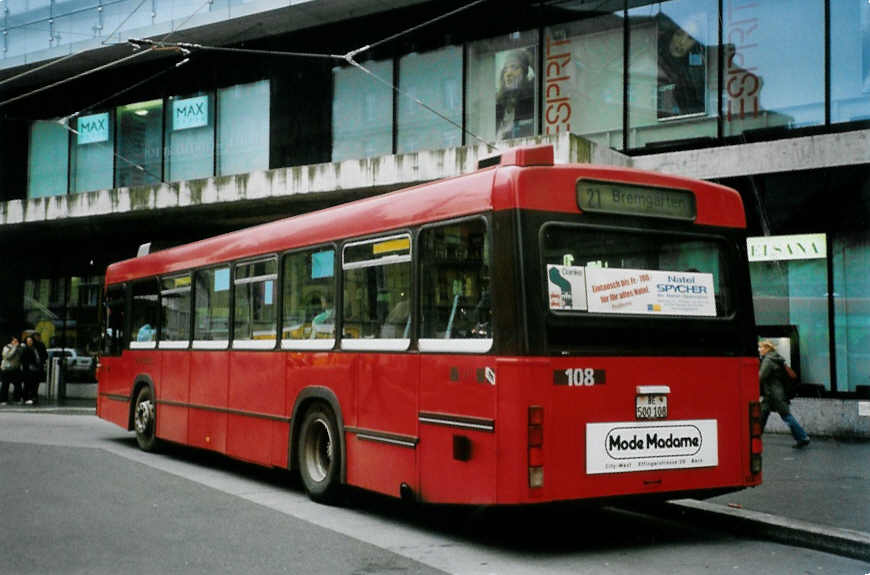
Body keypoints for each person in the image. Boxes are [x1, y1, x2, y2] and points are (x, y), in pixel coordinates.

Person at [759, 340, 810, 448]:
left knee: (786, 416)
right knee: (762, 415)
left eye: (761, 347)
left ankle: (802, 437)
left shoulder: (768, 360)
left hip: (775, 395)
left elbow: (761, 376)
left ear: (768, 348)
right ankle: (754, 439)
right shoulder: (776, 358)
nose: (760, 350)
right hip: (771, 394)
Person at [657, 13, 706, 119]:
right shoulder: (653, 55)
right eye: (679, 33)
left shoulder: (697, 66)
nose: (682, 42)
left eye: (690, 38)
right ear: (672, 33)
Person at [495, 49, 535, 140]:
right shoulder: (498, 105)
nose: (508, 73)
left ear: (525, 73)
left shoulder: (530, 98)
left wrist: (530, 57)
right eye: (505, 70)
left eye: (515, 67)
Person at [20, 335, 43, 406]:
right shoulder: (26, 349)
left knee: (34, 385)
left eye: (31, 341)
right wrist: (28, 366)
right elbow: (23, 360)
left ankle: (33, 398)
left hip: (35, 369)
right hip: (29, 370)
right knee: (28, 384)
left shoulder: (35, 348)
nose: (29, 342)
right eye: (28, 341)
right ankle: (26, 398)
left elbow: (38, 358)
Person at [1, 336, 24, 405]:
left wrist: (19, 348)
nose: (16, 342)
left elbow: (21, 355)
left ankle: (17, 399)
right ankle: (3, 400)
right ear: (11, 341)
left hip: (16, 368)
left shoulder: (19, 347)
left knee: (18, 385)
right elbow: (7, 356)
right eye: (14, 341)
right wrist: (14, 348)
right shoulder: (6, 347)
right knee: (5, 385)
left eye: (17, 341)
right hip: (7, 369)